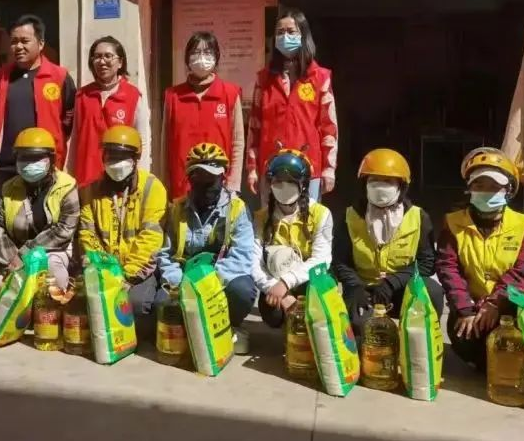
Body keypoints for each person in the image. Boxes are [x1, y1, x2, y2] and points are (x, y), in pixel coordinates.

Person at [437, 148, 524, 369]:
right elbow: (448, 268)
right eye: (479, 185)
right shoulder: (453, 223)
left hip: (511, 305)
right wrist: (464, 309)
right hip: (471, 306)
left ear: (508, 190)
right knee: (467, 341)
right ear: (469, 188)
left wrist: (495, 303)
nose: (486, 192)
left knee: (512, 349)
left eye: (494, 187)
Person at [331, 148, 443, 336]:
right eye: (374, 180)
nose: (380, 187)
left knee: (432, 292)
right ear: (364, 184)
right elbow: (340, 261)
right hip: (365, 289)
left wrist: (393, 282)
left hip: (402, 288)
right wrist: (355, 286)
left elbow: (427, 262)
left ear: (401, 186)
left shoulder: (418, 216)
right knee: (364, 330)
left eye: (388, 181)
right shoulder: (349, 216)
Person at [157, 143, 256, 353]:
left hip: (219, 282)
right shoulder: (177, 209)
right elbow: (165, 254)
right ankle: (189, 325)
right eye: (199, 178)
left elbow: (242, 257)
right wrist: (179, 284)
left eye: (211, 178)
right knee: (159, 306)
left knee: (243, 290)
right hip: (184, 281)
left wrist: (207, 286)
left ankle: (229, 325)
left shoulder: (237, 209)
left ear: (223, 177)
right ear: (190, 180)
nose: (206, 184)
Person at [77, 125, 167, 330]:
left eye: (123, 157)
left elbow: (150, 239)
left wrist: (127, 276)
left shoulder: (152, 188)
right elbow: (87, 235)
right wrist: (105, 271)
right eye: (111, 156)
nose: (116, 163)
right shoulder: (90, 191)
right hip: (103, 268)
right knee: (83, 301)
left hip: (137, 270)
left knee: (133, 304)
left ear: (136, 159)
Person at [246, 7, 338, 200]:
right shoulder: (264, 79)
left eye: (291, 31)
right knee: (272, 218)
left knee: (307, 218)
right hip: (271, 169)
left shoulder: (320, 78)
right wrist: (252, 168)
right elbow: (254, 127)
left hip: (308, 168)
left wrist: (329, 169)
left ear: (303, 36)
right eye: (280, 32)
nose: (284, 37)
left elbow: (329, 128)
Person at [0, 15, 77, 184]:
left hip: (43, 165)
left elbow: (69, 119)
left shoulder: (59, 76)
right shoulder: (0, 77)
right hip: (6, 166)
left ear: (41, 43)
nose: (18, 47)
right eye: (14, 42)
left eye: (24, 41)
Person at [0, 127, 79, 292]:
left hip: (52, 251)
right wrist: (10, 259)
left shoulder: (66, 186)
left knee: (53, 280)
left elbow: (64, 230)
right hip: (12, 253)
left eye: (37, 158)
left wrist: (24, 254)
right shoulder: (7, 189)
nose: (30, 164)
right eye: (24, 158)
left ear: (51, 160)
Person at [253, 149, 334, 329]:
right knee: (273, 314)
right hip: (275, 283)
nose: (284, 186)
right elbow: (255, 264)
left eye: (290, 181)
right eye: (278, 181)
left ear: (303, 184)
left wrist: (286, 283)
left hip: (308, 281)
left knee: (319, 308)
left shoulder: (321, 214)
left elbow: (321, 259)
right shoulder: (261, 218)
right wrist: (275, 288)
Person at [161, 32, 245, 200]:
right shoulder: (173, 96)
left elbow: (238, 142)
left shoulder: (230, 93)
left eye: (207, 52)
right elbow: (165, 145)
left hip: (219, 186)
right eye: (195, 52)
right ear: (187, 59)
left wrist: (233, 184)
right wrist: (165, 185)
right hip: (182, 186)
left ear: (216, 57)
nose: (201, 57)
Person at [70, 37, 152, 187]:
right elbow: (75, 139)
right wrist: (70, 177)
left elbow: (143, 141)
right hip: (86, 179)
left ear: (120, 62)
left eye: (108, 56)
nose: (102, 62)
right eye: (97, 57)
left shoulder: (133, 96)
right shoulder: (82, 95)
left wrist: (140, 179)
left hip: (119, 178)